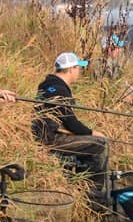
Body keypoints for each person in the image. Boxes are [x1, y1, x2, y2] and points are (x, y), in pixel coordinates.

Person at [32, 52, 108, 181]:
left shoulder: (47, 85)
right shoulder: (59, 89)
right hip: (51, 139)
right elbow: (71, 123)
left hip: (43, 135)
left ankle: (78, 178)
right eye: (78, 68)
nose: (79, 71)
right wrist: (93, 132)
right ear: (71, 69)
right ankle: (93, 190)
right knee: (101, 144)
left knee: (90, 142)